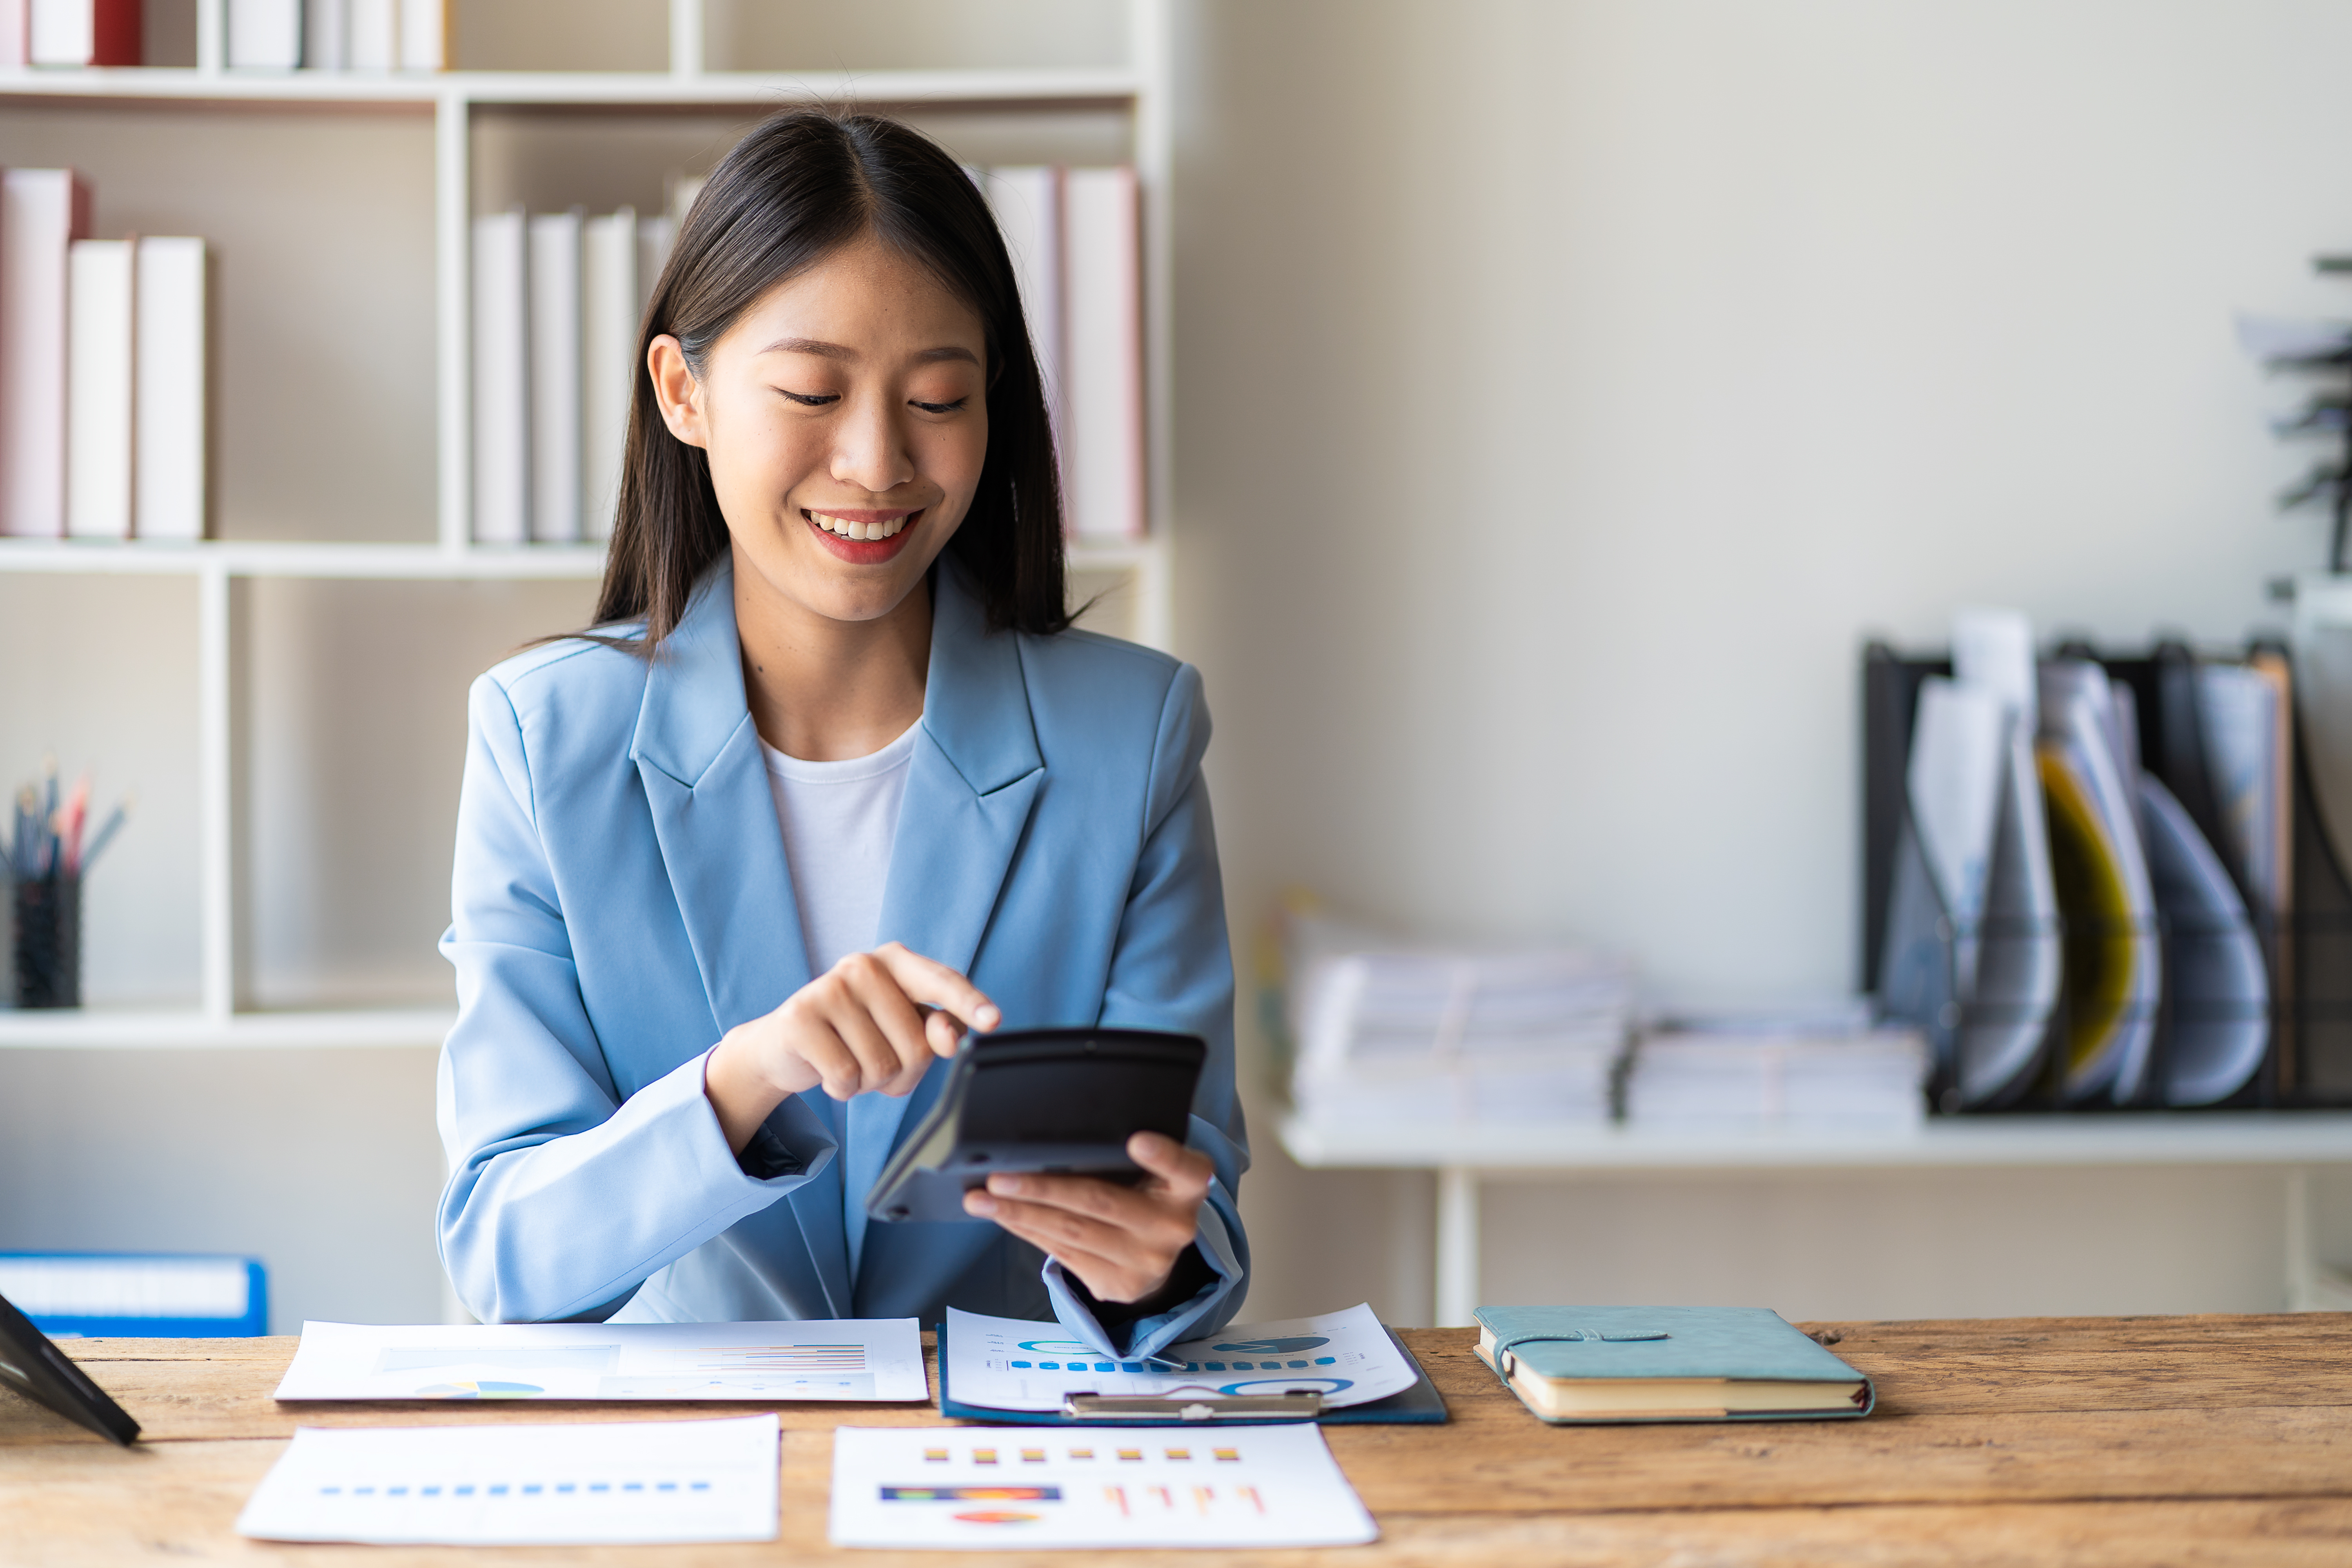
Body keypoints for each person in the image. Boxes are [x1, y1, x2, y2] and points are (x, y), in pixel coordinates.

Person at [435, 111, 1247, 1359]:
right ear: (684, 392)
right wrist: (746, 1079)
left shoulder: (1131, 738)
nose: (877, 462)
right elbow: (504, 1248)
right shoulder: (542, 740)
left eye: (938, 399)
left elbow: (1199, 1213)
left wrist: (1153, 1262)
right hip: (693, 1461)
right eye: (813, 392)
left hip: (1001, 1454)